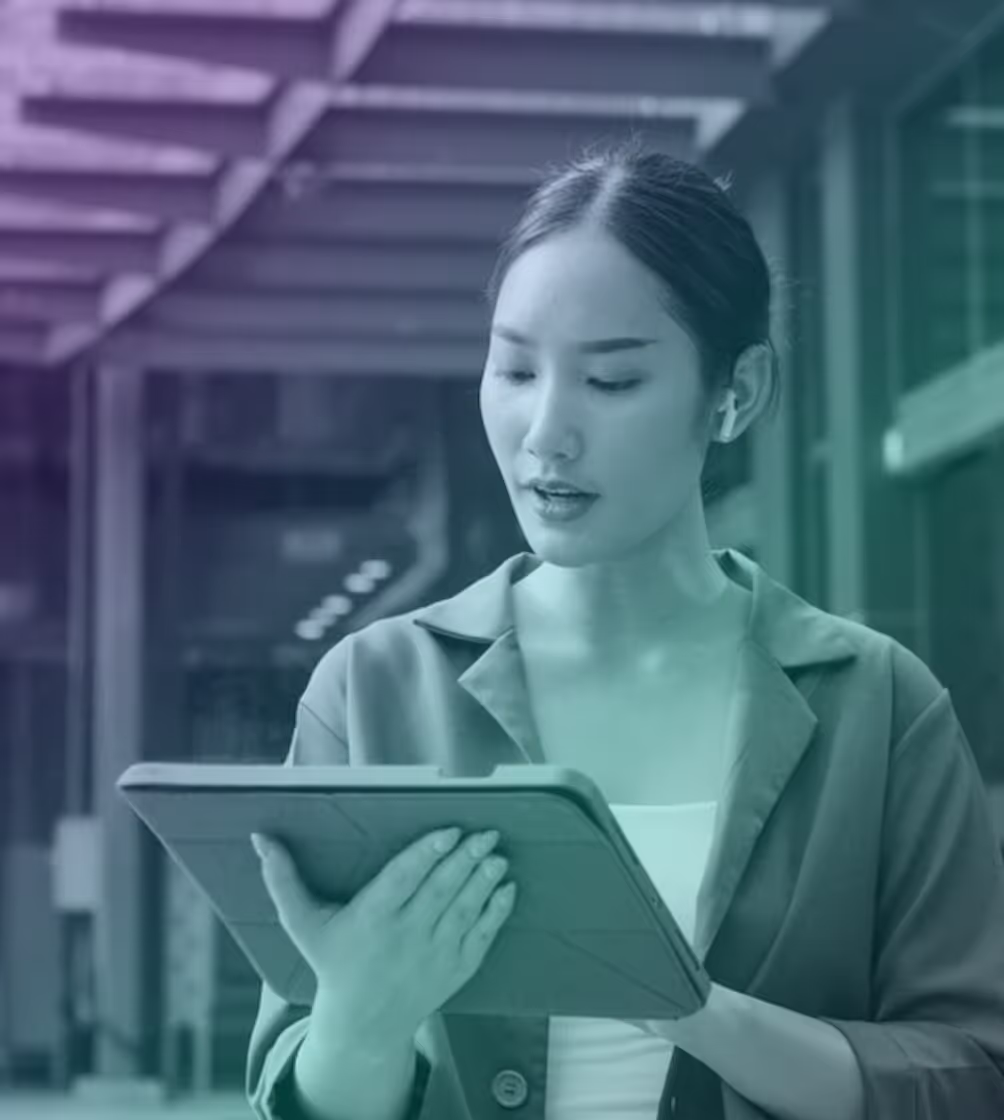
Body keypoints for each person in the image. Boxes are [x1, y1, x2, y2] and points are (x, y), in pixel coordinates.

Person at [245, 141, 1004, 1120]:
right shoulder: (373, 688)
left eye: (608, 383)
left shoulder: (878, 705)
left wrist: (692, 1008)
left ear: (733, 393)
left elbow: (969, 1077)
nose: (543, 431)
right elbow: (290, 1088)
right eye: (514, 368)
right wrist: (358, 1018)